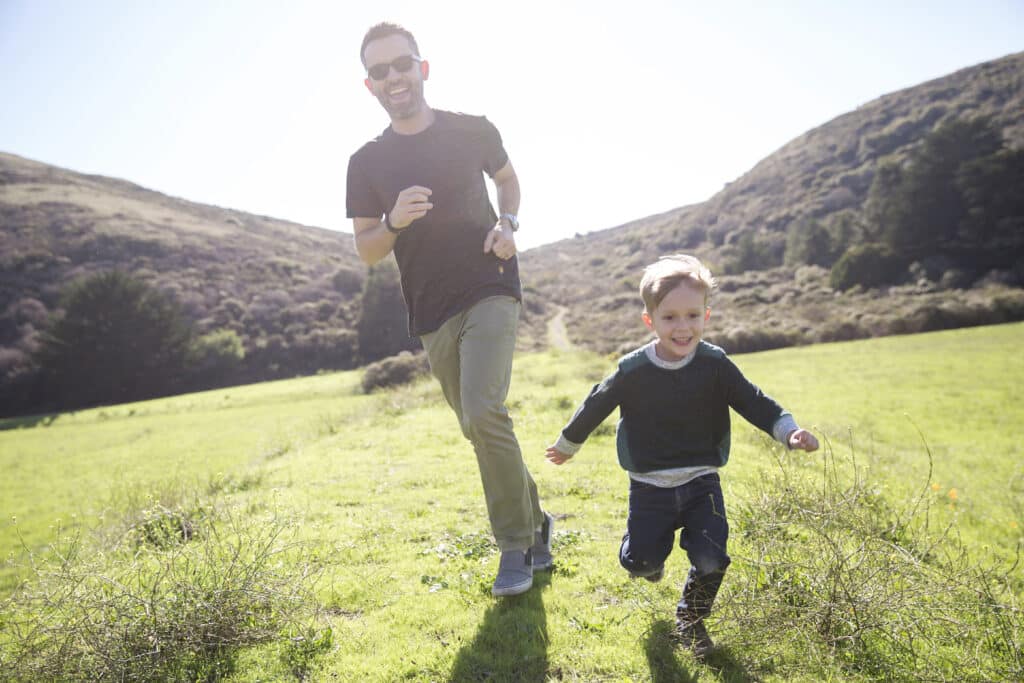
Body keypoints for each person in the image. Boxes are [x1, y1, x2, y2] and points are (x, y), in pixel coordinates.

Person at [346, 22, 551, 597]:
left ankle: (515, 548)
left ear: (422, 68)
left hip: (490, 282)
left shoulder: (473, 130)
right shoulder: (366, 163)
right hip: (431, 308)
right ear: (370, 84)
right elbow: (366, 251)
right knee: (477, 427)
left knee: (485, 410)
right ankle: (538, 522)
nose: (394, 77)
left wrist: (507, 225)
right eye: (380, 70)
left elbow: (509, 183)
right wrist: (393, 222)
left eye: (402, 64)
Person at [545, 254, 819, 655]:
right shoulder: (633, 369)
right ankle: (645, 560)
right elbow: (597, 403)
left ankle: (691, 621)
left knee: (711, 558)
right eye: (670, 317)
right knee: (640, 563)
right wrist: (568, 444)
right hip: (649, 487)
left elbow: (755, 402)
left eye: (692, 315)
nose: (683, 326)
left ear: (706, 315)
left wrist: (789, 431)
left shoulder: (715, 364)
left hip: (701, 482)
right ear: (650, 321)